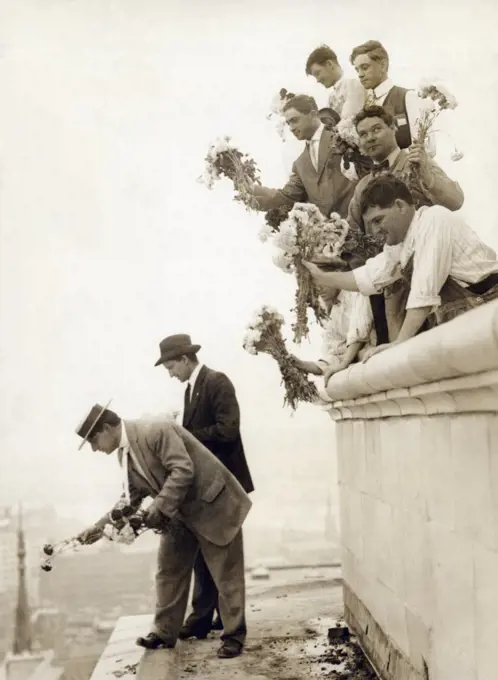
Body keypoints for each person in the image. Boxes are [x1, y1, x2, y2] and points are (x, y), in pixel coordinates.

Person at [76, 402, 251, 659]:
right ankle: (164, 633)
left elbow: (183, 470)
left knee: (226, 574)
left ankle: (234, 636)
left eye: (93, 440)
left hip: (212, 504)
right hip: (178, 512)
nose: (94, 448)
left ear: (106, 428)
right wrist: (100, 527)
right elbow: (131, 498)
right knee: (168, 570)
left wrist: (158, 507)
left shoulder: (154, 429)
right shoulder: (123, 454)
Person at [303, 175, 498, 357]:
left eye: (378, 220)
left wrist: (399, 344)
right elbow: (367, 277)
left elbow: (424, 293)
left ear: (400, 206)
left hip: (489, 310)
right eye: (370, 224)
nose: (374, 231)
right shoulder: (399, 245)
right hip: (468, 323)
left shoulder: (434, 219)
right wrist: (321, 276)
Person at [154, 334, 254, 643]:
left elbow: (228, 430)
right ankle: (201, 618)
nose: (170, 373)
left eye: (171, 366)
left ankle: (228, 626)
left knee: (223, 558)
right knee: (202, 556)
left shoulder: (217, 382)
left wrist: (183, 433)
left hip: (223, 487)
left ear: (185, 359)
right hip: (206, 489)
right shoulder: (191, 390)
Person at [348, 106, 464, 234]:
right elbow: (353, 233)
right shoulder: (362, 186)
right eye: (363, 134)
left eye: (376, 129)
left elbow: (456, 201)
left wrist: (426, 174)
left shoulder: (417, 163)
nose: (370, 138)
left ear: (393, 128)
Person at [250, 94, 355, 218]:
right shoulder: (299, 164)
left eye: (294, 120)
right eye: (288, 123)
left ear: (313, 114)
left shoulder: (342, 136)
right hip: (331, 232)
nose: (291, 128)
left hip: (360, 222)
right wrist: (251, 191)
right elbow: (286, 197)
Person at [350, 40, 435, 152]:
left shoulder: (407, 97)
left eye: (365, 68)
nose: (360, 75)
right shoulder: (365, 105)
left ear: (382, 66)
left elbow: (427, 148)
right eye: (357, 70)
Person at [306, 44, 366, 120]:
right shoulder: (332, 96)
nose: (317, 80)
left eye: (318, 73)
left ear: (329, 64)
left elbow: (350, 121)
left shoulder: (352, 83)